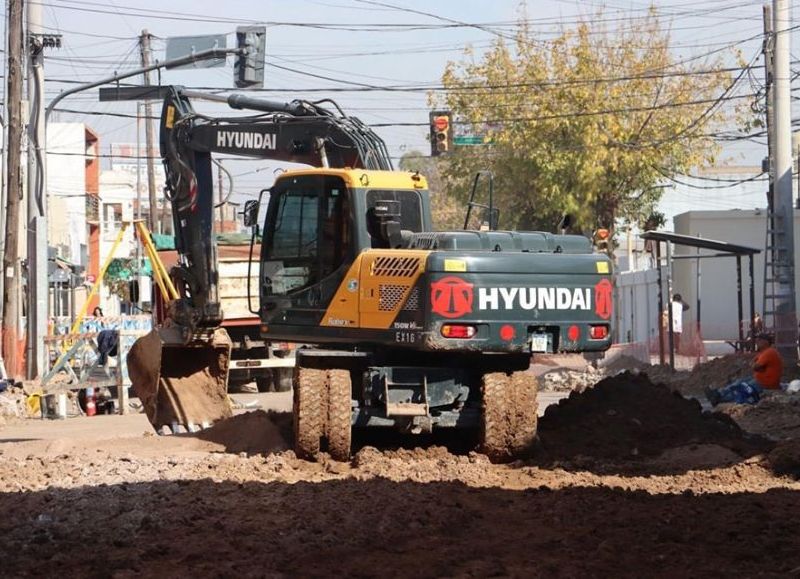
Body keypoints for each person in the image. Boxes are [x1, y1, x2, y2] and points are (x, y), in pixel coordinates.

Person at [705, 332, 783, 406]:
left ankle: (720, 398)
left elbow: (755, 366)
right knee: (739, 382)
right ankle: (718, 394)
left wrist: (755, 365)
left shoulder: (769, 352)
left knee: (741, 389)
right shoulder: (763, 353)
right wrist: (755, 365)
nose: (757, 342)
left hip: (765, 383)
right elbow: (753, 363)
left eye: (759, 340)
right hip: (759, 379)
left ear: (766, 342)